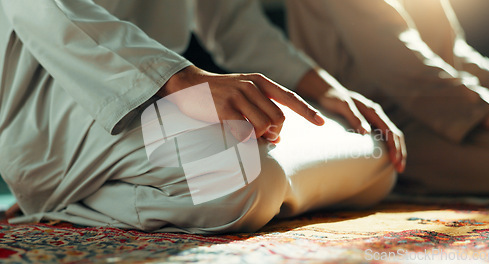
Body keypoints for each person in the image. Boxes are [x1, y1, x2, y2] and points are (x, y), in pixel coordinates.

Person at [0, 0, 404, 233]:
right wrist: (179, 79)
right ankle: (60, 193)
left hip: (167, 98)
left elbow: (233, 23)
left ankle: (99, 185)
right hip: (52, 108)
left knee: (376, 152)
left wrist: (324, 89)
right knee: (242, 174)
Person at [287, 0, 489, 195]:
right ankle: (369, 175)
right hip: (369, 117)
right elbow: (397, 63)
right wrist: (484, 111)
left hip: (432, 101)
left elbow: (454, 53)